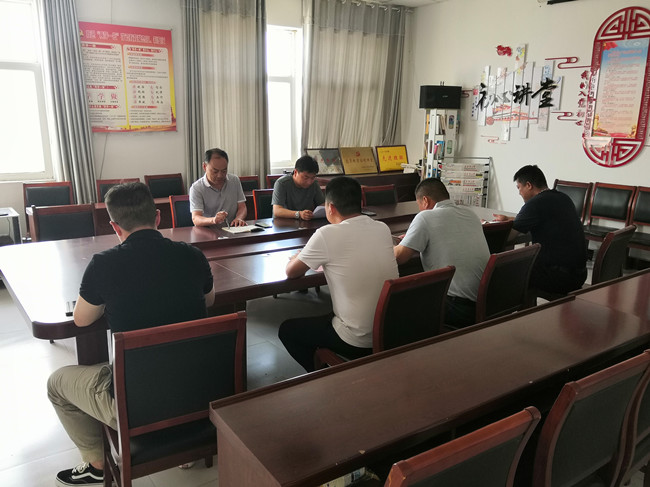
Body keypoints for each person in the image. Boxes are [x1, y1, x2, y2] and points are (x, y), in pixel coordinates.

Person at [48, 182, 215, 487]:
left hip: (137, 405)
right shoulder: (192, 255)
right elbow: (210, 300)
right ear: (158, 217)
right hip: (198, 390)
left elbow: (82, 320)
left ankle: (97, 465)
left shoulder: (103, 264)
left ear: (114, 226)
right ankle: (186, 438)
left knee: (57, 383)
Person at [278, 176, 398, 372]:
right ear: (360, 203)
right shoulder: (382, 228)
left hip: (357, 340)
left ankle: (324, 374)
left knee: (288, 330)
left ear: (330, 208)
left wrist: (298, 256)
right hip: (389, 331)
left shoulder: (327, 233)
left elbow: (291, 272)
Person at [394, 178, 490, 327]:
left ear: (425, 200)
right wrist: (411, 237)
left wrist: (390, 245)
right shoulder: (469, 214)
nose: (420, 210)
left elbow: (400, 257)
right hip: (487, 302)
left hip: (458, 308)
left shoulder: (425, 217)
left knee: (399, 303)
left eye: (419, 205)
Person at [493, 164, 587, 294]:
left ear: (528, 185)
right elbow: (541, 219)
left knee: (501, 270)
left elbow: (508, 237)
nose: (519, 193)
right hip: (579, 274)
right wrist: (509, 219)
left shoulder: (534, 204)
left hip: (558, 277)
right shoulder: (563, 197)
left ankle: (510, 306)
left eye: (519, 188)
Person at [190, 148, 247, 227]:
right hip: (208, 231)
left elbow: (242, 207)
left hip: (232, 228)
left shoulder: (234, 180)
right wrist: (213, 220)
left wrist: (239, 218)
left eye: (224, 171)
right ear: (204, 166)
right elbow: (196, 218)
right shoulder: (197, 188)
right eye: (215, 171)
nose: (220, 175)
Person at [272, 155, 325, 220]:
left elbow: (322, 204)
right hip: (283, 223)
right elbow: (277, 211)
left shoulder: (314, 183)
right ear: (295, 172)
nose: (309, 182)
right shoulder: (282, 183)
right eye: (306, 177)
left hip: (305, 222)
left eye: (313, 177)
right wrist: (299, 214)